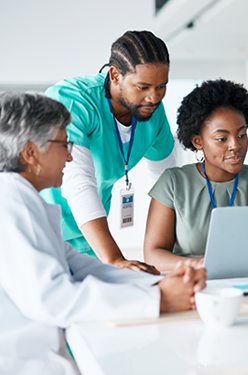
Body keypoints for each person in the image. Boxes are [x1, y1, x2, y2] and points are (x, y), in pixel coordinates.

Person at [0, 92, 206, 375]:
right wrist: (158, 300)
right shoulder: (11, 200)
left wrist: (161, 285)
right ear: (30, 153)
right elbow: (52, 298)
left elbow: (83, 268)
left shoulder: (22, 198)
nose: (70, 155)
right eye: (64, 144)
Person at [40, 30, 175, 274]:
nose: (154, 97)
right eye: (143, 86)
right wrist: (114, 258)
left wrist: (170, 250)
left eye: (162, 86)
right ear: (115, 75)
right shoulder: (74, 101)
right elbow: (76, 181)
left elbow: (168, 184)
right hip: (40, 230)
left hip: (88, 239)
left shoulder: (153, 113)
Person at [144, 79, 248, 271]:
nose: (236, 145)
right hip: (191, 284)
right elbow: (153, 255)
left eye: (241, 135)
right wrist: (203, 265)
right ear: (198, 141)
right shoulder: (173, 182)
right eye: (222, 138)